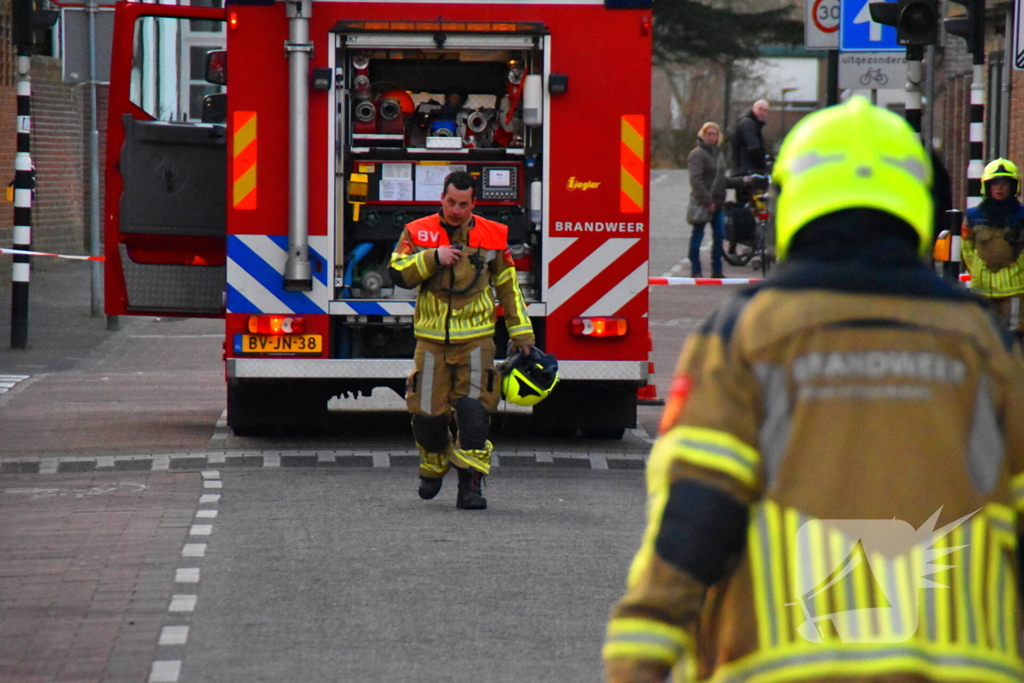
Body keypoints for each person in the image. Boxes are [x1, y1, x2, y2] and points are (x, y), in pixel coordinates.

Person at [604, 96, 1024, 682]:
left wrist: (637, 659)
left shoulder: (745, 335)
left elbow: (696, 513)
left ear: (790, 199)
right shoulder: (988, 347)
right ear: (922, 204)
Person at [388, 171, 534, 510]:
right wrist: (432, 257)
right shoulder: (418, 231)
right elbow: (398, 271)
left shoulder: (493, 236)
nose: (456, 210)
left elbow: (509, 289)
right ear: (441, 198)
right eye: (451, 202)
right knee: (427, 416)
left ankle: (470, 486)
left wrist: (522, 334)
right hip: (431, 343)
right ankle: (434, 463)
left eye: (463, 204)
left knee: (474, 414)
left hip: (476, 342)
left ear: (474, 204)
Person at [958, 158, 1024, 331]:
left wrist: (1018, 268)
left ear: (1013, 187)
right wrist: (978, 269)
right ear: (987, 187)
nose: (1000, 188)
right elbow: (966, 247)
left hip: (1014, 289)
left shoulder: (1022, 216)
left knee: (1013, 334)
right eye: (995, 184)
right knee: (984, 332)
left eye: (1004, 184)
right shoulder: (973, 216)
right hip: (982, 287)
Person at [686, 122, 745, 278]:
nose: (712, 137)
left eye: (715, 134)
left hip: (718, 204)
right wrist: (708, 202)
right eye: (709, 134)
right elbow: (695, 181)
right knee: (698, 235)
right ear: (702, 135)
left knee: (719, 236)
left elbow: (721, 180)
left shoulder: (718, 154)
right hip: (702, 203)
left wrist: (742, 181)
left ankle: (717, 271)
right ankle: (696, 270)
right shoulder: (697, 154)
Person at [730, 98, 769, 177]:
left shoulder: (748, 123)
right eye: (760, 109)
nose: (762, 113)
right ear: (753, 108)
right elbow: (754, 147)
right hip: (746, 171)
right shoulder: (748, 123)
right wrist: (764, 166)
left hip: (743, 169)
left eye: (765, 111)